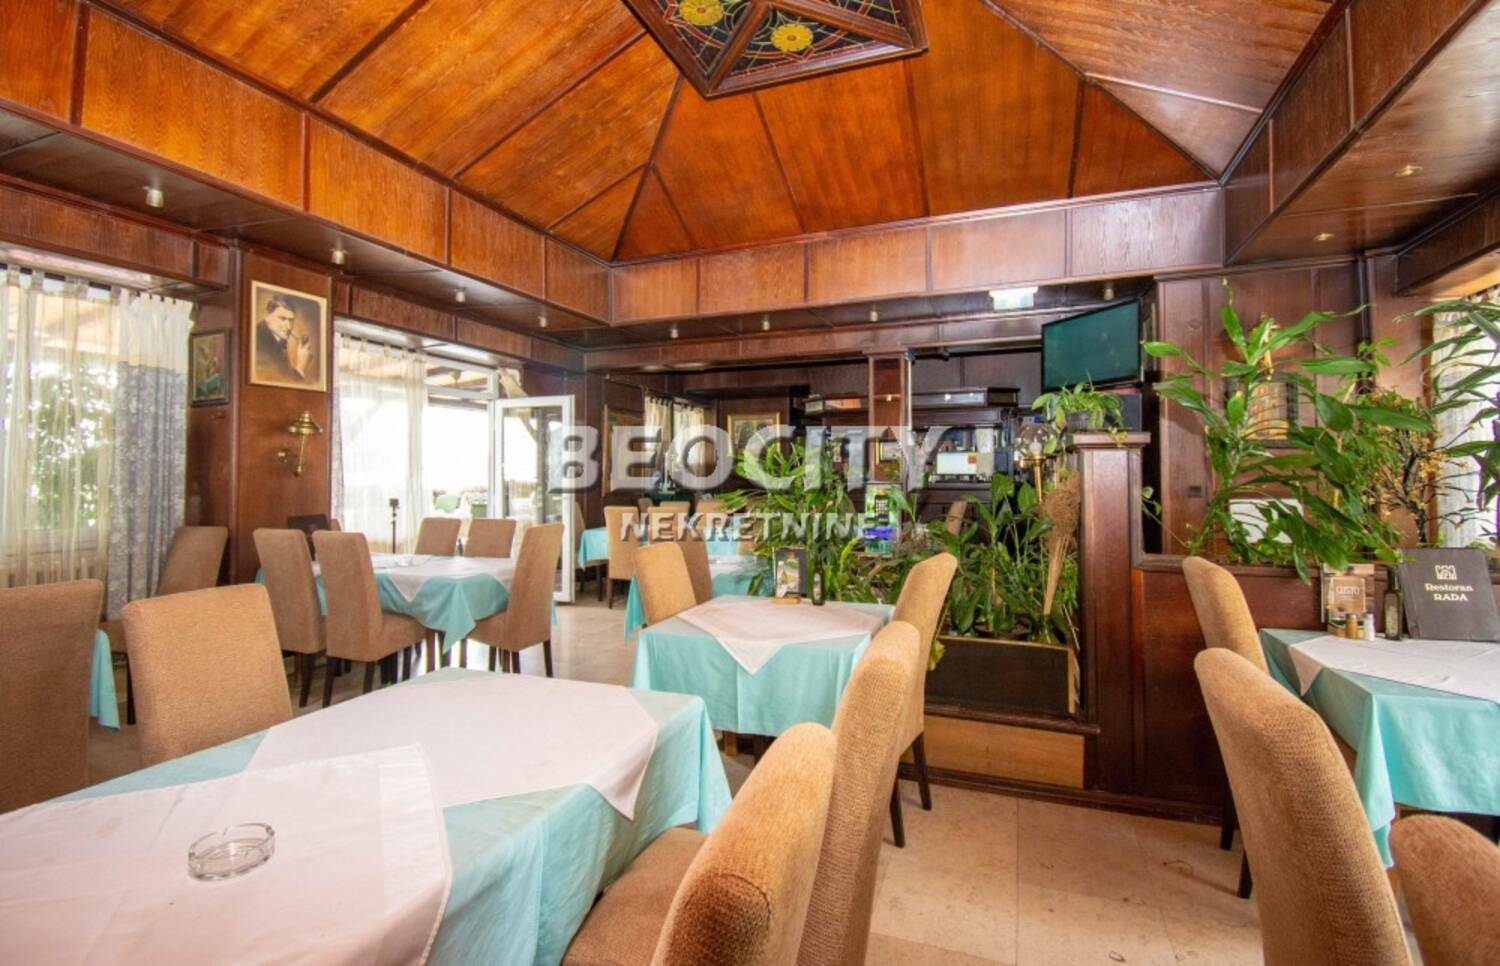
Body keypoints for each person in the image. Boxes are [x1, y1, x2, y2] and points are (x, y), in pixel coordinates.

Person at [254, 292, 315, 385]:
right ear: (267, 316)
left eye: (291, 320)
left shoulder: (275, 337)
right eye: (282, 318)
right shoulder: (258, 340)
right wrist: (301, 367)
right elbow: (279, 384)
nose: (288, 326)